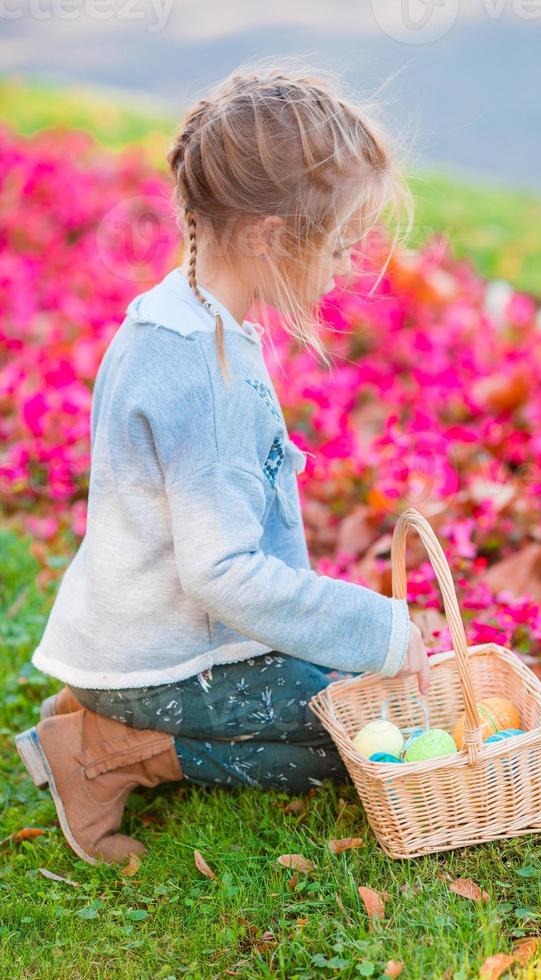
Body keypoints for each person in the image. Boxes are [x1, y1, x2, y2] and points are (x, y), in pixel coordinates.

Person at [15, 60, 429, 867]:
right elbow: (222, 573)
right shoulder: (206, 377)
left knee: (363, 701)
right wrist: (377, 628)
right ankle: (108, 749)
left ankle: (105, 712)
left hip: (144, 640)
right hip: (159, 657)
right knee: (355, 738)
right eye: (340, 246)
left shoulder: (173, 318)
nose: (348, 266)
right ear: (268, 234)